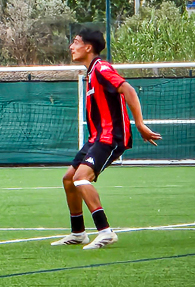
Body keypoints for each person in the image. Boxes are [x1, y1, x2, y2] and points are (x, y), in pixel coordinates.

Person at [52, 30, 161, 250]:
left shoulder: (101, 68)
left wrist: (139, 124)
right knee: (69, 179)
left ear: (88, 47)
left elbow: (128, 89)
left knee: (82, 178)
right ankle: (78, 233)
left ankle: (105, 232)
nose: (71, 47)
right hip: (96, 138)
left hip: (111, 137)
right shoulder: (91, 72)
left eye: (75, 42)